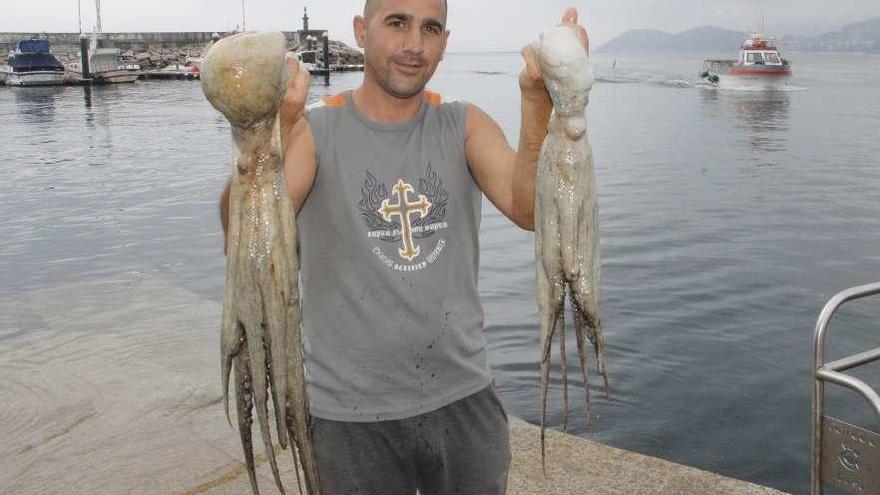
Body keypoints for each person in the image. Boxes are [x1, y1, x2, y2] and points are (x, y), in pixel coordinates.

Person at [220, 1, 589, 493]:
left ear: (445, 41)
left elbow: (527, 209)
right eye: (397, 23)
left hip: (464, 399)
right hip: (348, 416)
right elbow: (243, 238)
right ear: (360, 31)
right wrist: (270, 132)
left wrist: (540, 99)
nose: (414, 44)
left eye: (430, 28)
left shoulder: (464, 124)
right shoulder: (313, 130)